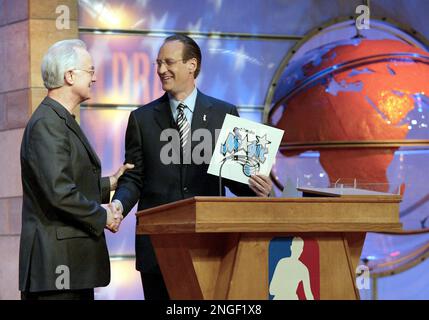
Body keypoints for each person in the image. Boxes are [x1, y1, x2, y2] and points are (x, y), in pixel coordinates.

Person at [111, 34, 273, 300]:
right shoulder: (140, 119)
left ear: (192, 65)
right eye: (158, 63)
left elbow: (236, 180)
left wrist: (259, 189)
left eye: (169, 62)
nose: (161, 70)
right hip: (158, 250)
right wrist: (118, 206)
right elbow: (134, 179)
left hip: (210, 246)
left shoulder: (225, 113)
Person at [19, 39, 133, 300]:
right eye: (90, 70)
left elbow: (65, 180)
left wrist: (110, 184)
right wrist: (102, 216)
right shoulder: (47, 123)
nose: (94, 78)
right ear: (70, 76)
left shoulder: (58, 119)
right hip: (56, 270)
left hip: (69, 267)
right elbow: (59, 192)